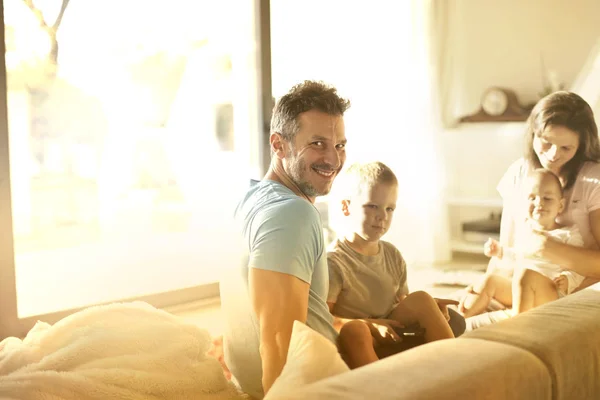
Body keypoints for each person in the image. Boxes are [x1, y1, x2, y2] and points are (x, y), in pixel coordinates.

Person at [220, 80, 350, 399]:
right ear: (278, 145)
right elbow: (279, 342)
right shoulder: (292, 214)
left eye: (340, 145)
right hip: (317, 390)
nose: (333, 160)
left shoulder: (247, 200)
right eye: (318, 143)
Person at [465, 91, 600, 328]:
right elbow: (507, 248)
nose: (553, 154)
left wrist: (546, 247)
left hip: (574, 288)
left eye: (565, 148)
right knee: (465, 314)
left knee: (497, 325)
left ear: (580, 145)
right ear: (533, 134)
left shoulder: (593, 180)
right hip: (523, 283)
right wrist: (488, 288)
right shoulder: (519, 173)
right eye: (546, 142)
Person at [327, 161, 459, 369]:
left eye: (390, 208)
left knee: (422, 299)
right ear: (346, 206)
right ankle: (381, 386)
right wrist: (370, 325)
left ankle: (457, 368)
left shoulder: (392, 254)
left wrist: (430, 309)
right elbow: (325, 320)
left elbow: (402, 302)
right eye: (372, 206)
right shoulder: (334, 261)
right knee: (355, 330)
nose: (382, 216)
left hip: (393, 331)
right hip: (362, 338)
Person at [458, 169, 586, 318]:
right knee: (489, 280)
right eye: (532, 198)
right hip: (519, 288)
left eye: (547, 198)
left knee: (525, 273)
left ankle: (517, 323)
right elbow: (517, 255)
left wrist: (568, 279)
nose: (539, 203)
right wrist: (500, 252)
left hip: (549, 293)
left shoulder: (568, 234)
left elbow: (580, 267)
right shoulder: (527, 232)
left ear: (561, 205)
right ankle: (461, 319)